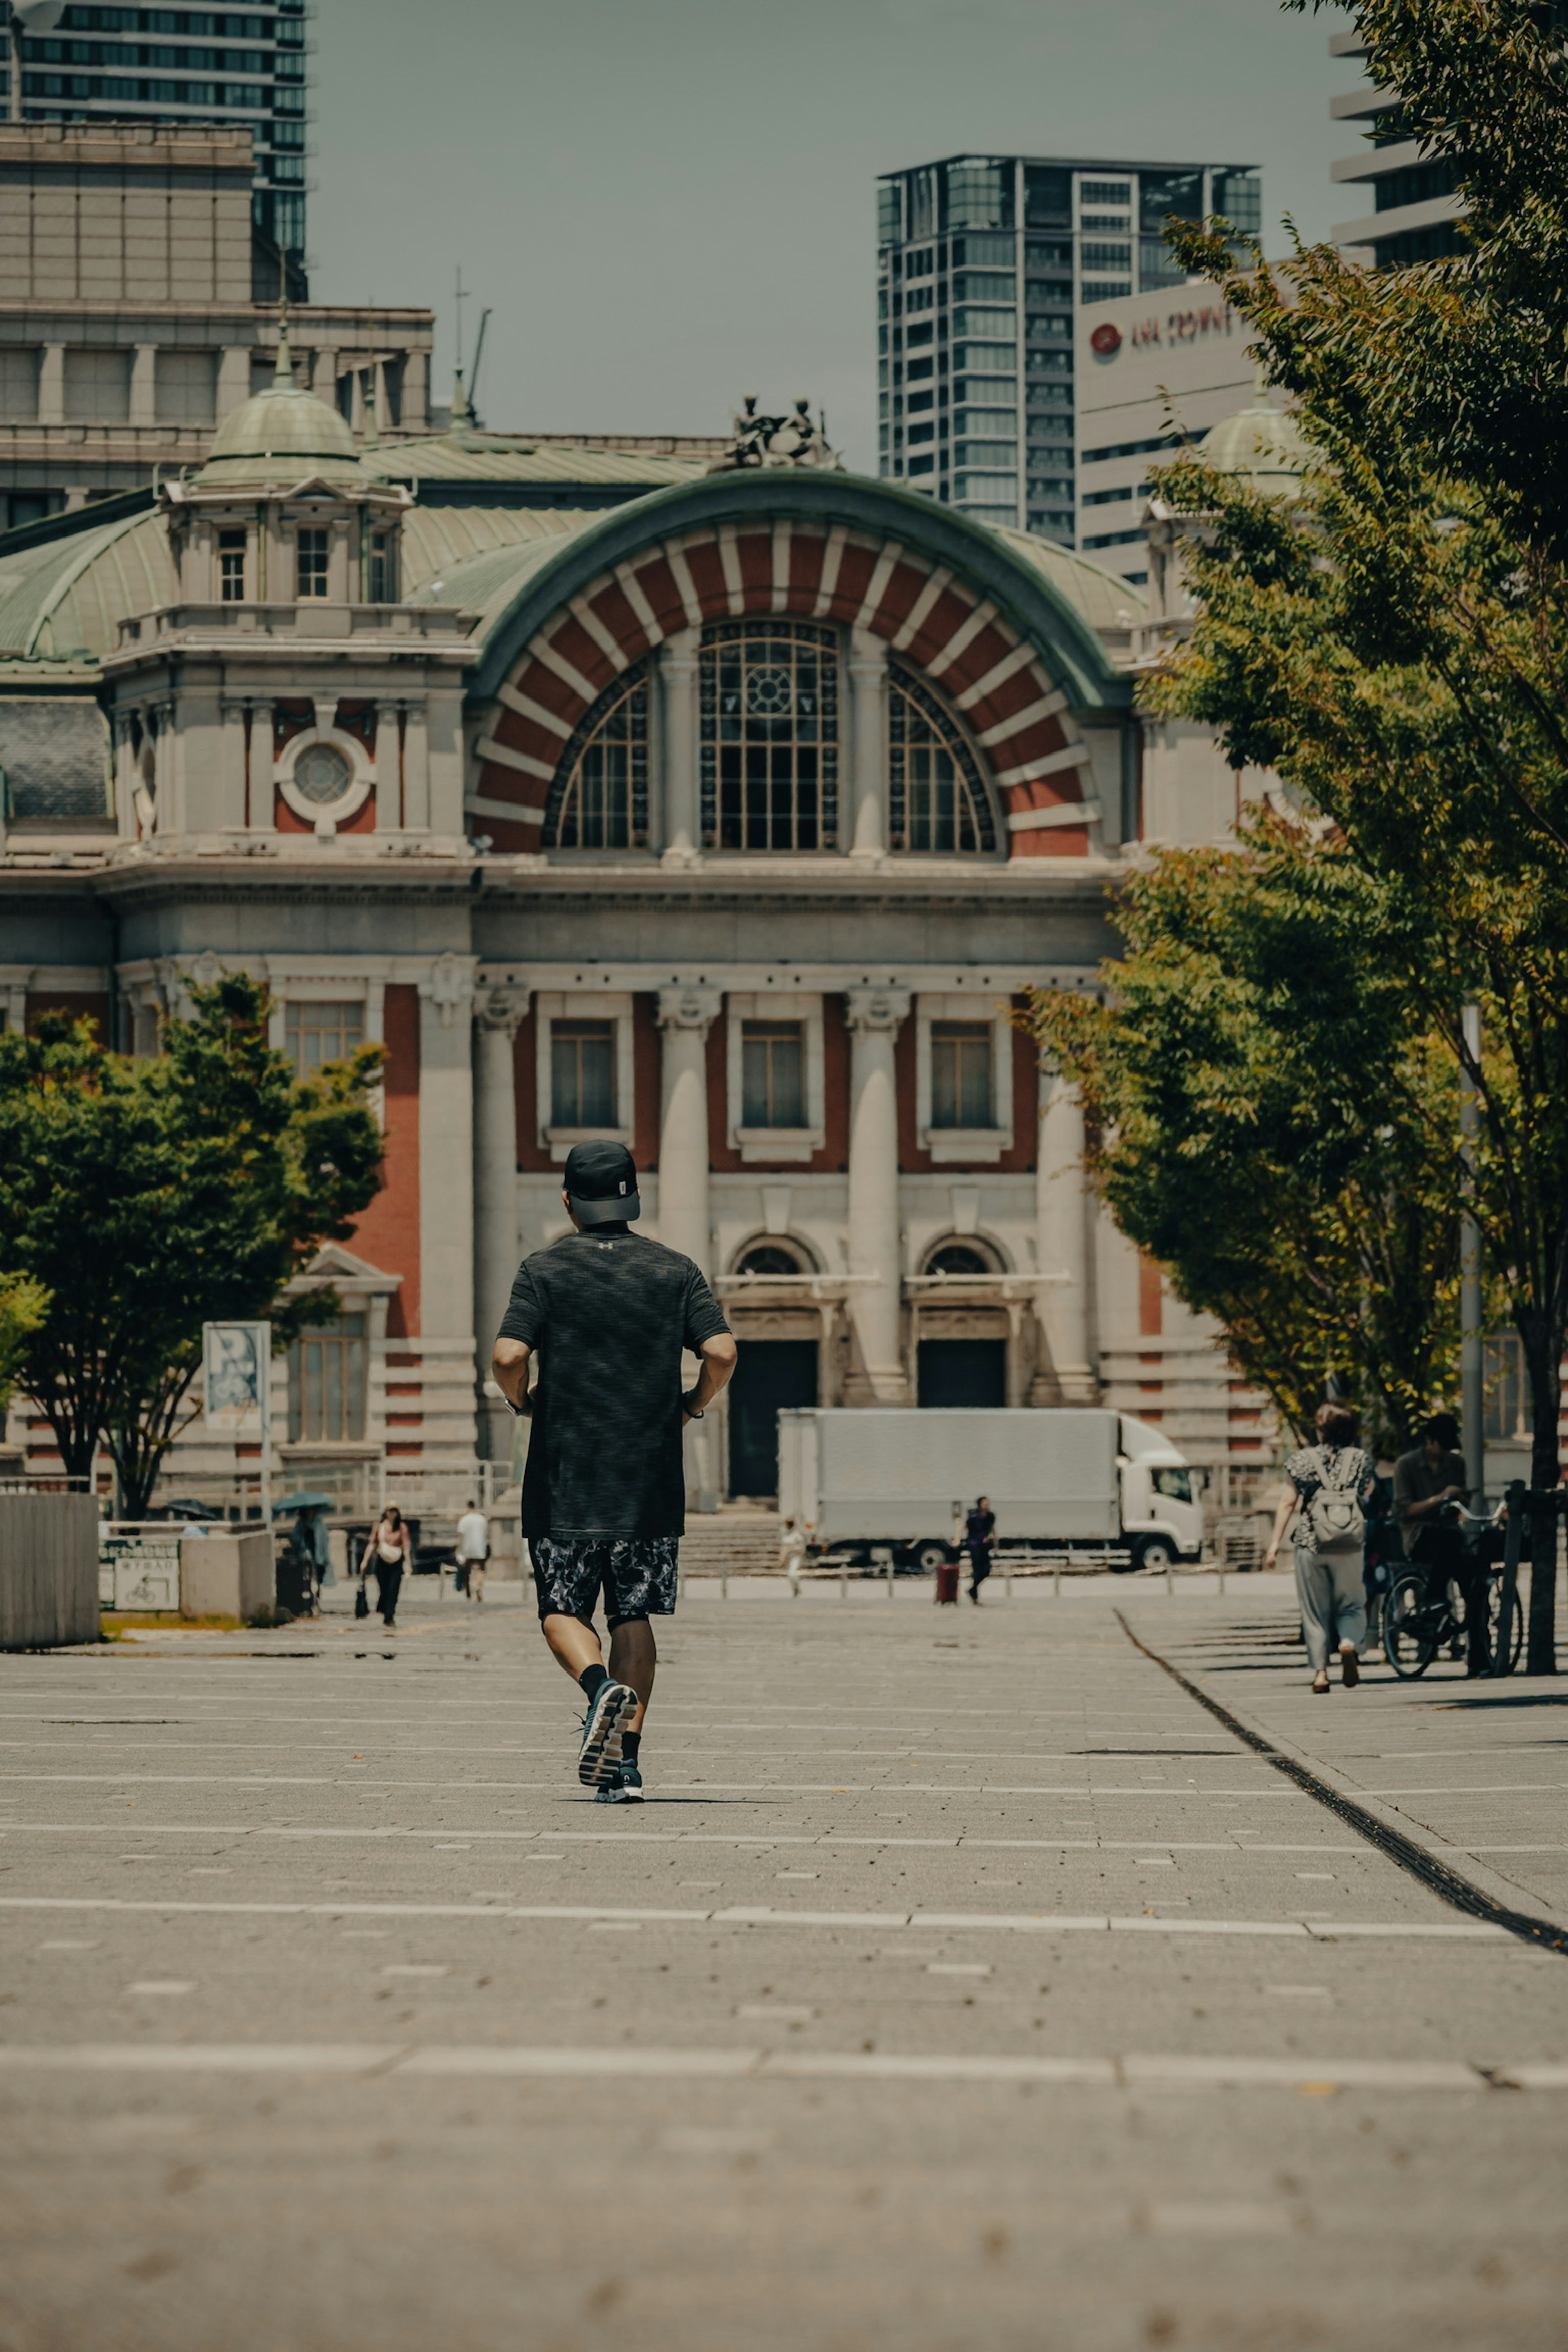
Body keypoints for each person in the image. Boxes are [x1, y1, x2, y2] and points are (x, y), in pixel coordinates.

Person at [491, 1140, 737, 1803]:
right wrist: (690, 1406)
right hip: (648, 1480)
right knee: (634, 1616)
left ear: (568, 1200)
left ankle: (600, 1690)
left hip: (564, 1476)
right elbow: (721, 1351)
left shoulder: (543, 1272)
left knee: (561, 1610)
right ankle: (626, 1766)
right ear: (633, 1199)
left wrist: (523, 1403)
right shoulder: (674, 1271)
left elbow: (508, 1355)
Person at [1263, 1403, 1377, 1693]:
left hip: (1311, 1542)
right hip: (1350, 1544)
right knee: (1352, 1604)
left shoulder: (1302, 1460)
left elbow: (1288, 1501)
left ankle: (1321, 1674)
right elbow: (1368, 1494)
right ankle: (1349, 1644)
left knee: (1314, 1611)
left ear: (1321, 1430)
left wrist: (1275, 1544)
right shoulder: (1361, 1459)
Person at [1393, 1412, 1486, 1674]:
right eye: (1440, 1445)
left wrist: (1461, 1499)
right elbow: (1403, 1511)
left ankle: (1479, 1655)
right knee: (1447, 1540)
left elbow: (1460, 1504)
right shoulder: (1406, 1465)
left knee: (1476, 1587)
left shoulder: (1456, 1464)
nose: (1444, 1451)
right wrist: (1440, 1498)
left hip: (1450, 1536)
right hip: (1418, 1535)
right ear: (1428, 1440)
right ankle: (1435, 1599)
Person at [359, 1504, 411, 1628]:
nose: (392, 1513)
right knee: (384, 1588)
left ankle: (389, 1616)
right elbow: (373, 1544)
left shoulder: (402, 1527)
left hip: (397, 1561)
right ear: (386, 1512)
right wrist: (365, 1561)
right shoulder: (379, 1526)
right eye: (390, 1511)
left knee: (394, 1589)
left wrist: (408, 1563)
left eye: (395, 1511)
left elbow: (406, 1546)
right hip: (382, 1561)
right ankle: (383, 1607)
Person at [455, 1500, 490, 1602]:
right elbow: (485, 1534)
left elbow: (461, 1536)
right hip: (479, 1547)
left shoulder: (464, 1520)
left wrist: (458, 1549)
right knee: (480, 1570)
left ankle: (468, 1591)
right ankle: (478, 1586)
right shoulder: (482, 1519)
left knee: (467, 1571)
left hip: (467, 1548)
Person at [964, 1495, 996, 1603]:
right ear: (980, 1505)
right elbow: (963, 1526)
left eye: (988, 1504)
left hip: (984, 1546)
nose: (987, 1506)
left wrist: (996, 1542)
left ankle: (972, 1590)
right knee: (977, 1571)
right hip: (974, 1544)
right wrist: (957, 1539)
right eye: (985, 1504)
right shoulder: (974, 1516)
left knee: (987, 1570)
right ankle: (975, 1596)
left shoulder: (991, 1516)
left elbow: (992, 1529)